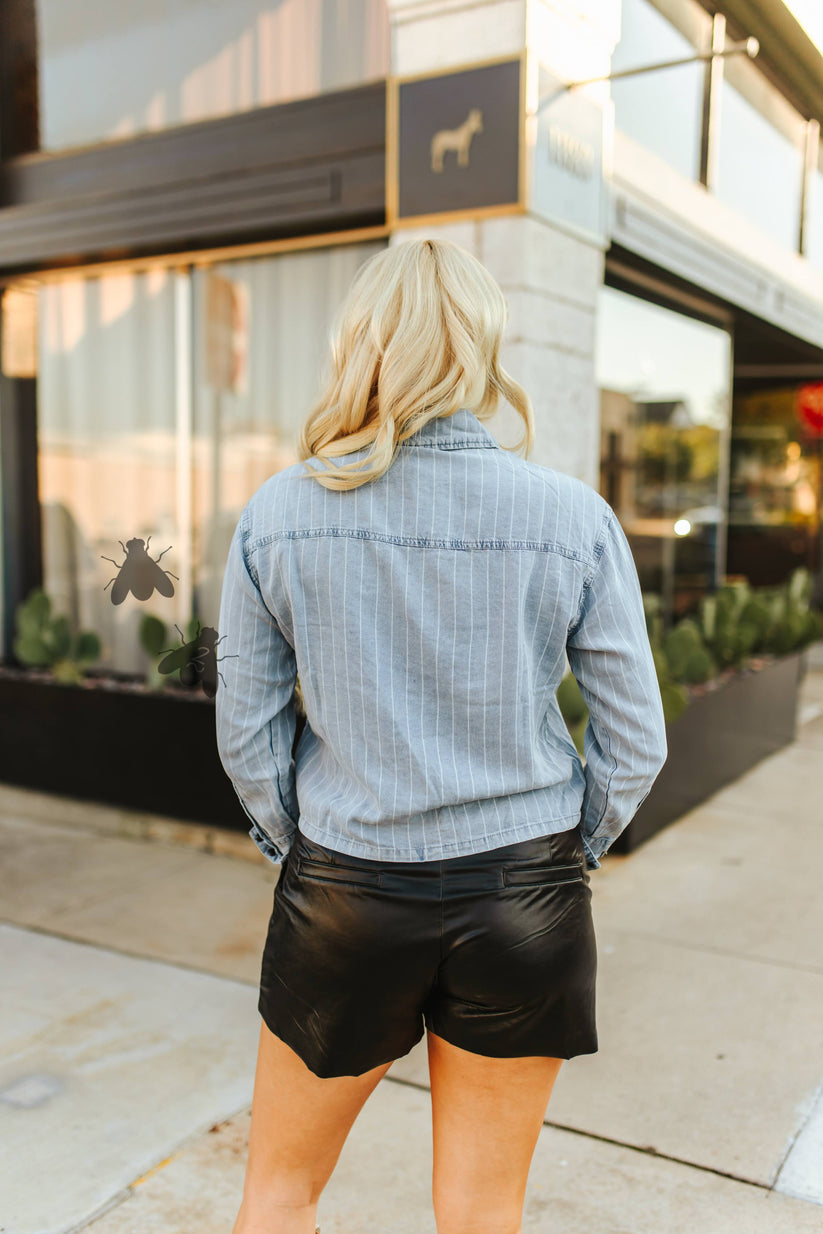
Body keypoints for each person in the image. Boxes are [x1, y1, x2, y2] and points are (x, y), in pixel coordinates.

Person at [215, 236, 668, 1234]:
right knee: (481, 1211)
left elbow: (246, 739)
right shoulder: (573, 517)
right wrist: (562, 851)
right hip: (525, 897)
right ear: (481, 348)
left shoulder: (279, 513)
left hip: (346, 889)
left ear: (363, 344)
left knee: (278, 1195)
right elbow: (635, 741)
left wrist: (311, 848)